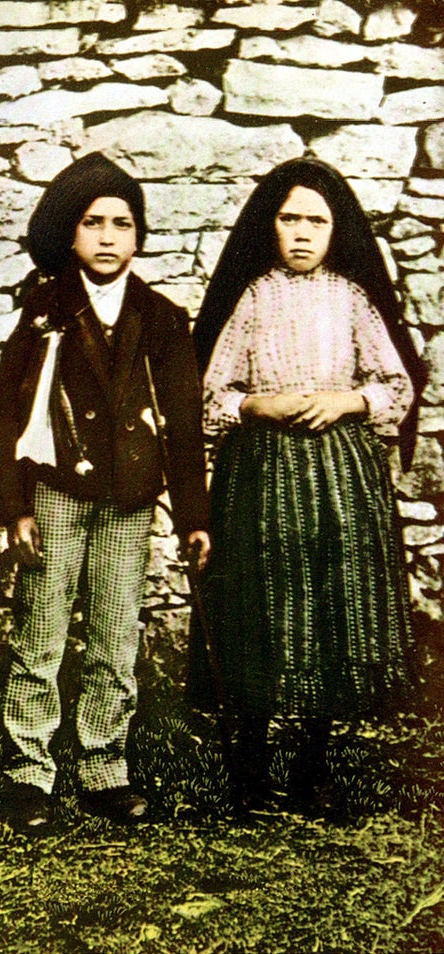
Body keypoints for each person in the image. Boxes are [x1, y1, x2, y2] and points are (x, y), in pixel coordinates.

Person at [189, 157, 426, 809]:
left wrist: (349, 403)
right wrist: (255, 407)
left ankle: (314, 763)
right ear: (270, 227)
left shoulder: (350, 298)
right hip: (263, 473)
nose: (301, 232)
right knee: (264, 601)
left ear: (335, 230)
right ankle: (253, 762)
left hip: (338, 472)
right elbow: (213, 391)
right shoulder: (256, 296)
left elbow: (396, 383)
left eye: (315, 221)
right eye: (289, 218)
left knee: (331, 601)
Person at [0, 152, 210, 832]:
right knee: (42, 627)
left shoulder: (163, 317)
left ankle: (103, 765)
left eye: (123, 223)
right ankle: (28, 772)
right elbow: (11, 412)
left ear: (139, 236)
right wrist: (16, 504)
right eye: (94, 223)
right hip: (57, 490)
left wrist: (193, 515)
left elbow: (183, 420)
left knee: (116, 632)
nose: (109, 236)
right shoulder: (45, 310)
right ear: (72, 235)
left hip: (131, 497)